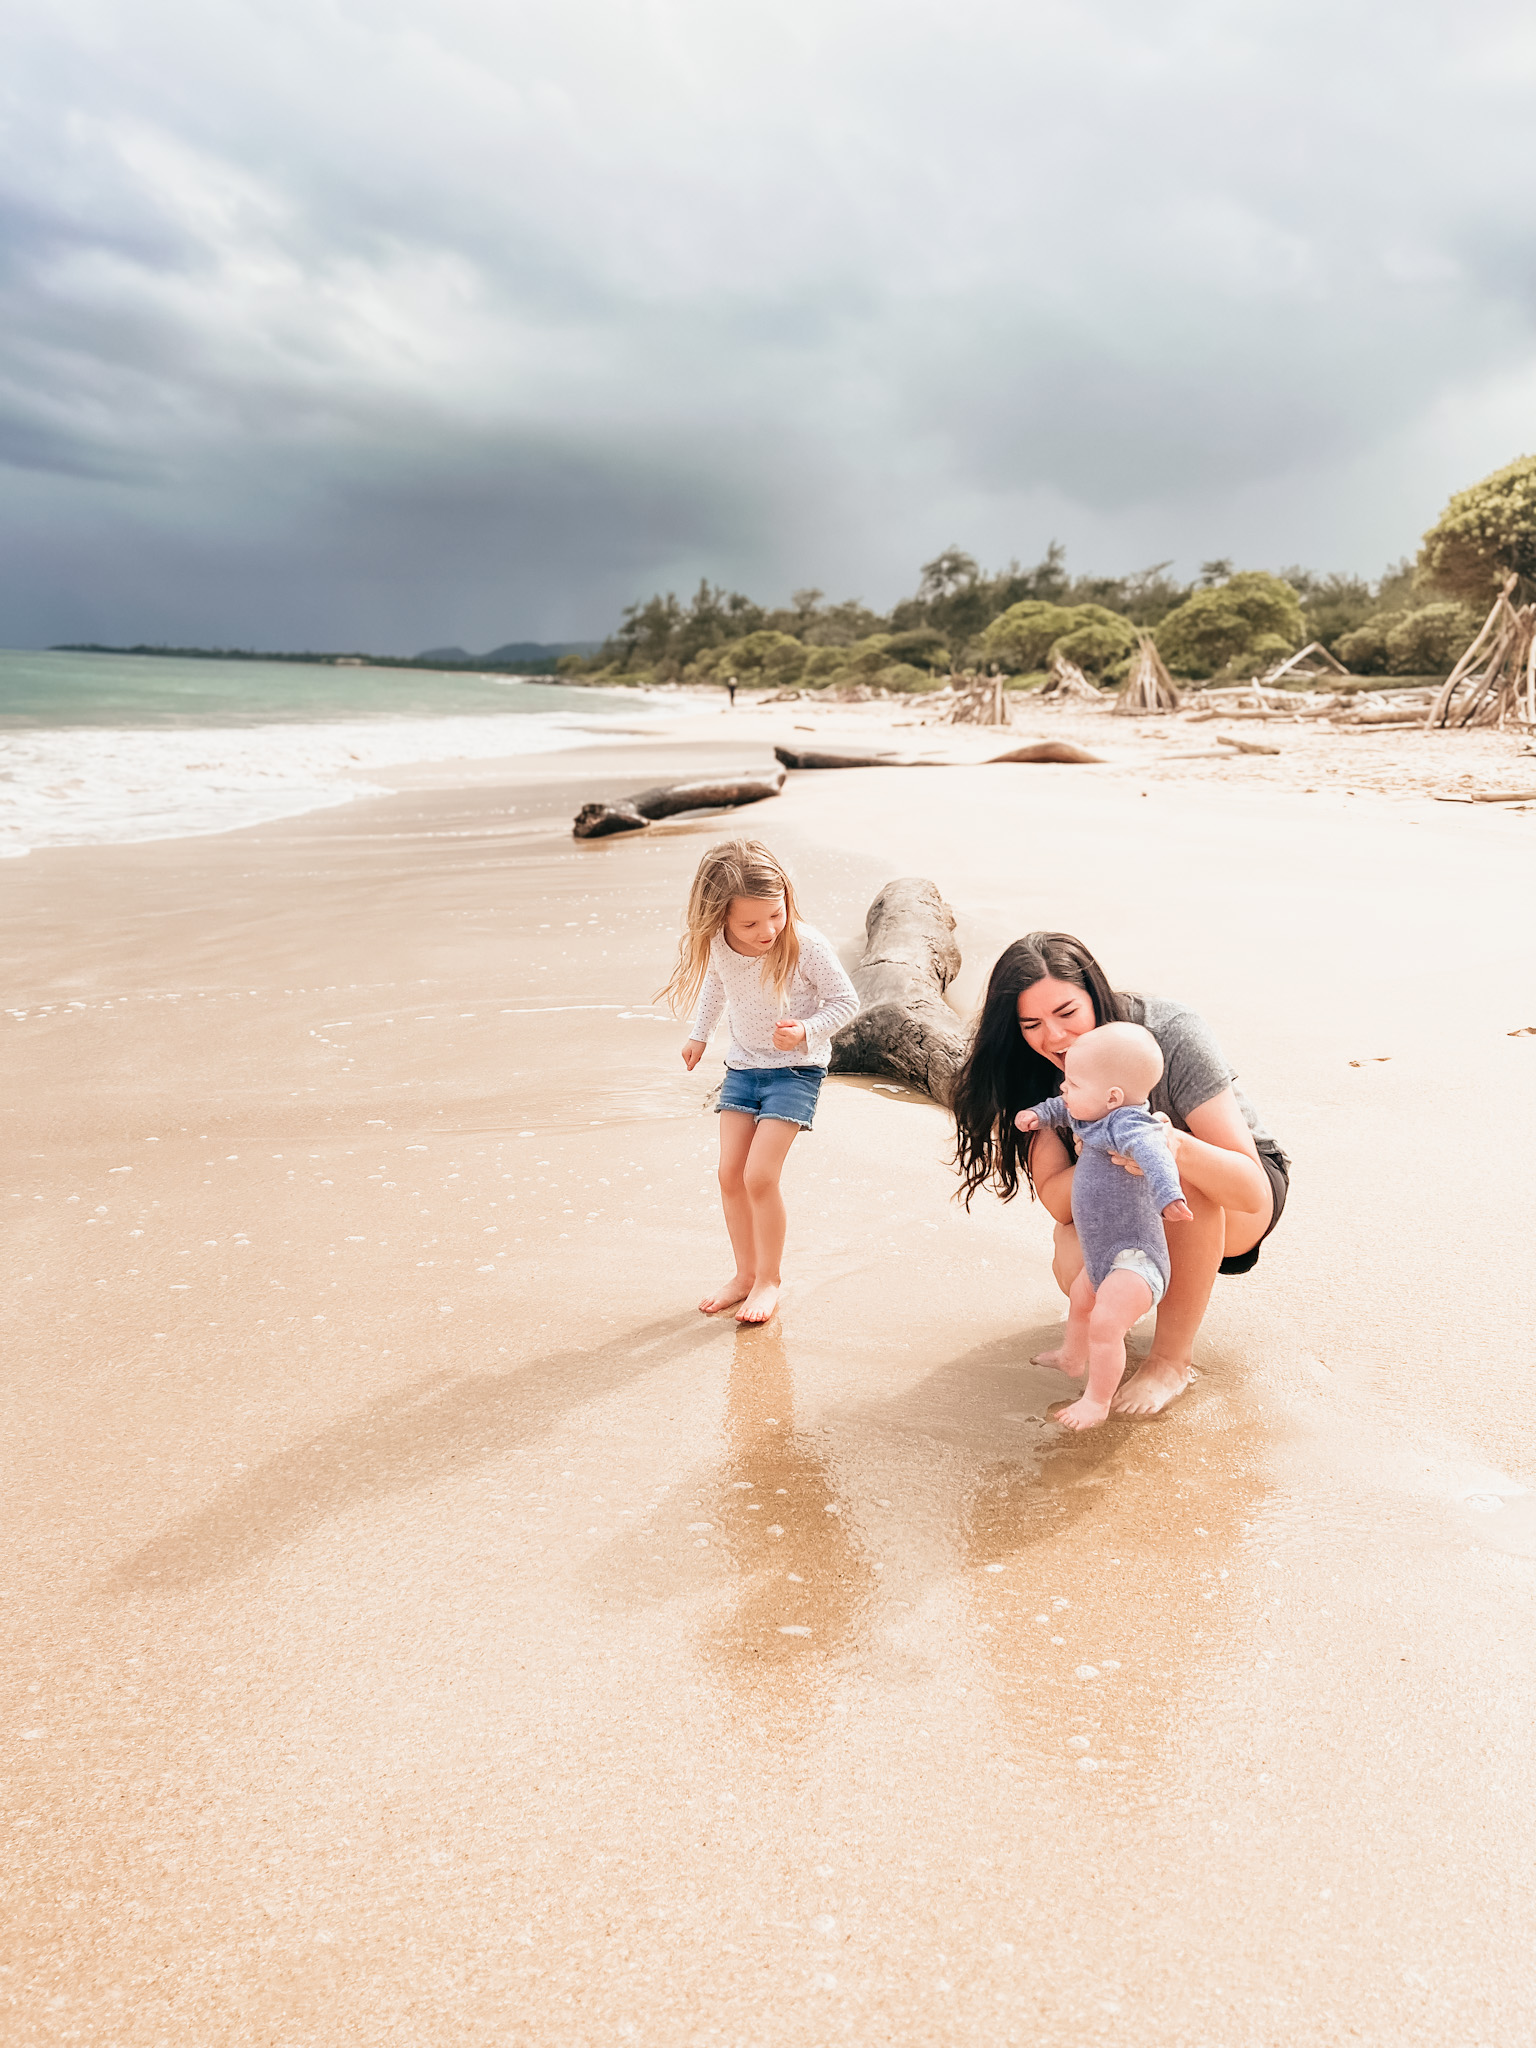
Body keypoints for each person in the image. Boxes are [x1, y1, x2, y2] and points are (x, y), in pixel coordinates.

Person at [952, 931, 1288, 1416]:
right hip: (1123, 1201)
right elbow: (1059, 1202)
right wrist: (1102, 1156)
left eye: (1067, 1012)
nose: (1054, 1037)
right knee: (1072, 1262)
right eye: (1032, 1024)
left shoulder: (1168, 1032)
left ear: (1095, 993)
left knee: (1166, 1165)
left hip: (1227, 1192)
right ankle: (1117, 1322)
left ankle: (1170, 1362)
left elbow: (1251, 1190)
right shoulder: (1031, 1071)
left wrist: (1171, 1146)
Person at [659, 838, 858, 1325]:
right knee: (729, 1174)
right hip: (743, 1068)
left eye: (776, 913)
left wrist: (806, 1030)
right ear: (718, 918)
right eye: (749, 923)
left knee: (759, 1176)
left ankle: (770, 1279)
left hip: (796, 1070)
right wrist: (699, 1035)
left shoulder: (805, 944)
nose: (767, 930)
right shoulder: (719, 943)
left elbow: (846, 1001)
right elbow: (717, 983)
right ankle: (744, 1275)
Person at [1015, 1022, 1194, 1429]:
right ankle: (1072, 1356)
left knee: (1106, 1322)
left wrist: (1169, 1197)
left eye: (1072, 1083)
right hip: (1106, 1258)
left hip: (1137, 1260)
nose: (1064, 1088)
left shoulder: (1128, 1125)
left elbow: (1157, 1155)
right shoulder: (1092, 1111)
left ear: (1112, 1097)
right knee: (1081, 1300)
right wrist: (1037, 1115)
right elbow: (1061, 1108)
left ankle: (1097, 1401)